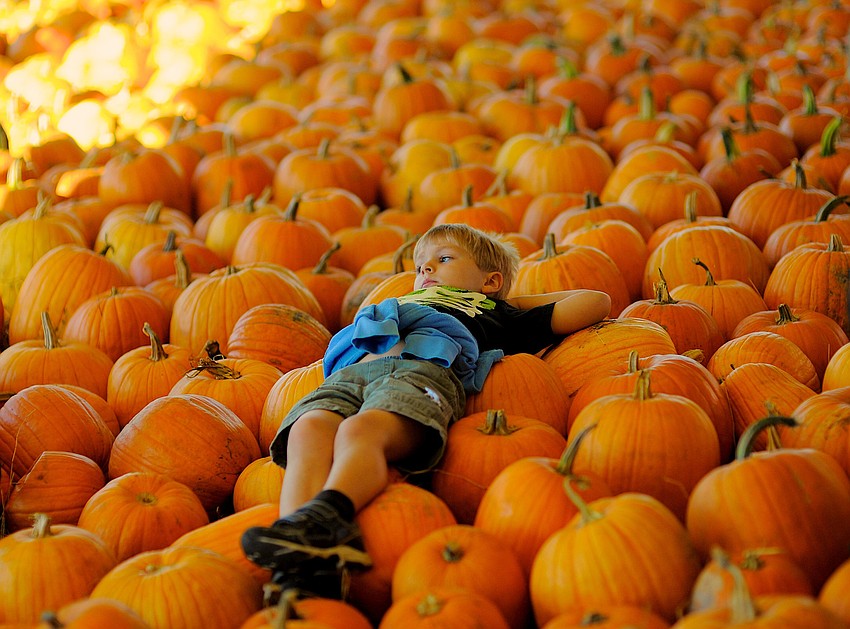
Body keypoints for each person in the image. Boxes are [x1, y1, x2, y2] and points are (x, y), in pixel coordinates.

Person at [240, 223, 612, 598]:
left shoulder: (493, 313)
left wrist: (510, 304)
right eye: (421, 266)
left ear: (490, 281)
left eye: (444, 259)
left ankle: (330, 515)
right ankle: (295, 553)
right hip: (353, 374)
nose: (426, 269)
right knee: (307, 429)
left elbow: (595, 301)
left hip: (420, 373)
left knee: (360, 431)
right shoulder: (406, 302)